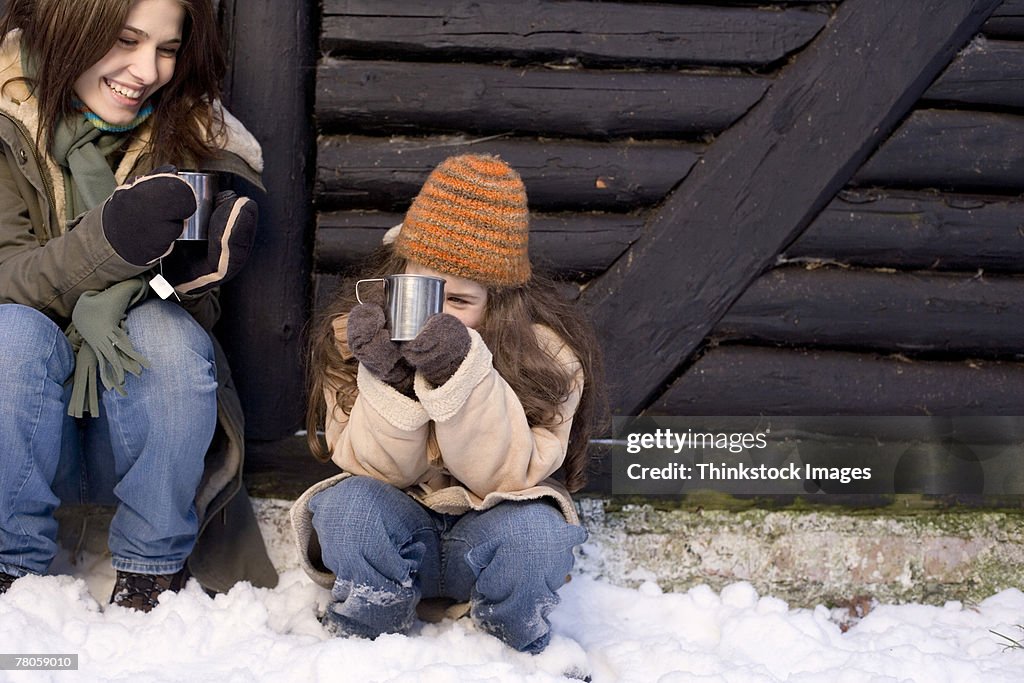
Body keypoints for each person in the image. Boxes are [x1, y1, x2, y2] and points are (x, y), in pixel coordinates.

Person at [0, 0, 277, 610]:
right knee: (10, 335)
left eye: (166, 49)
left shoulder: (189, 137)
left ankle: (152, 571)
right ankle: (8, 569)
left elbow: (181, 319)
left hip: (133, 441)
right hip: (19, 428)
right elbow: (5, 275)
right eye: (125, 40)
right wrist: (112, 243)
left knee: (171, 335)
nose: (146, 69)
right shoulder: (4, 124)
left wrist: (182, 281)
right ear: (71, 29)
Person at [291, 153, 606, 657]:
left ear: (498, 303)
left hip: (489, 532)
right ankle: (365, 634)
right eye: (420, 292)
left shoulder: (548, 359)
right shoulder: (357, 339)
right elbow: (370, 471)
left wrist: (460, 373)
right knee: (347, 507)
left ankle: (512, 648)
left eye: (459, 302)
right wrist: (391, 381)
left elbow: (507, 477)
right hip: (398, 529)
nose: (435, 316)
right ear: (398, 277)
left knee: (537, 534)